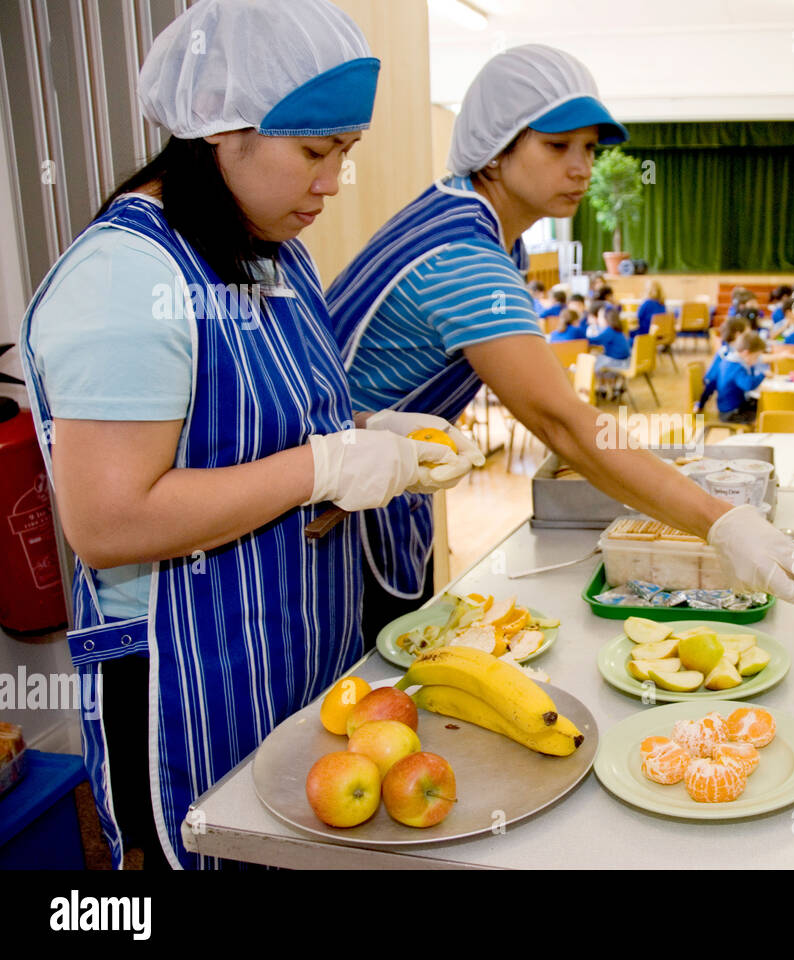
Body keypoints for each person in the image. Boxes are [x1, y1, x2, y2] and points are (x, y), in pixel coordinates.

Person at [16, 0, 471, 870]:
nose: (332, 184)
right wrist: (324, 465)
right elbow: (109, 523)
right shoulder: (126, 281)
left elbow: (265, 424)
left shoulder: (269, 251)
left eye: (345, 154)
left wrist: (376, 438)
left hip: (297, 639)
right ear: (222, 133)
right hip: (191, 675)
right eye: (314, 153)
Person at [327, 44, 794, 633]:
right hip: (336, 508)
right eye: (557, 145)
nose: (581, 167)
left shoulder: (464, 221)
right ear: (494, 151)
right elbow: (563, 421)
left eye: (588, 147)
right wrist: (721, 521)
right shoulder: (464, 256)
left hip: (360, 482)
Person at [715, 332, 768, 424]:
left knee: (760, 405)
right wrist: (763, 375)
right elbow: (748, 385)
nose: (756, 361)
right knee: (765, 413)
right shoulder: (737, 367)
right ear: (746, 353)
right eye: (755, 357)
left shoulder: (729, 360)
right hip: (731, 413)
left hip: (727, 408)